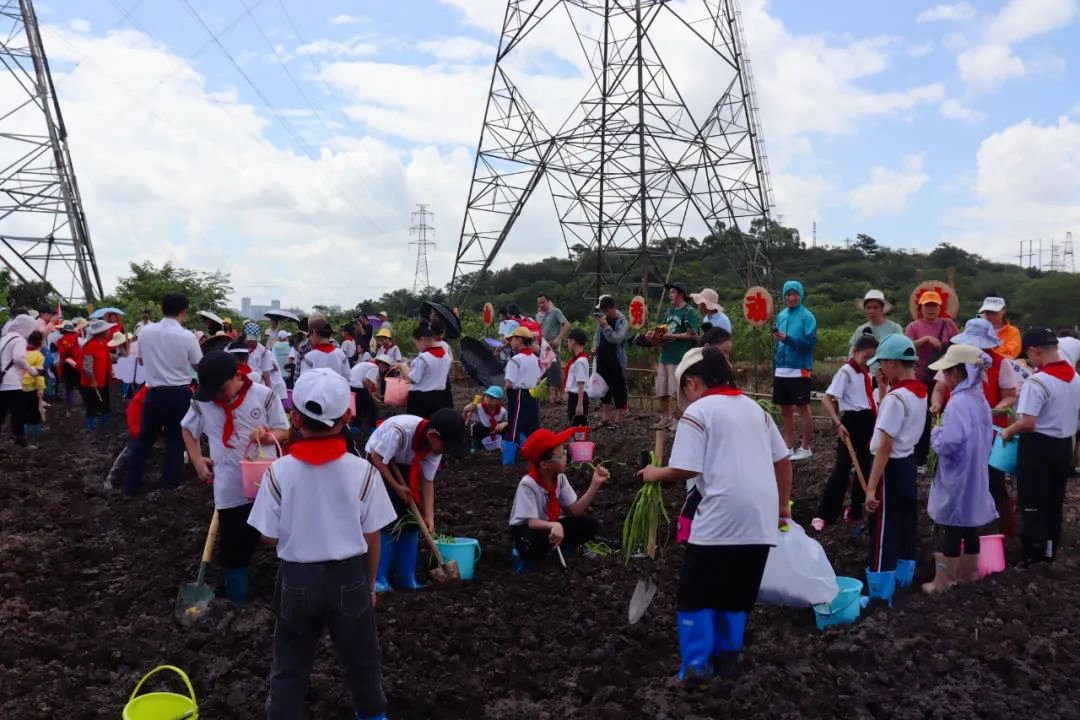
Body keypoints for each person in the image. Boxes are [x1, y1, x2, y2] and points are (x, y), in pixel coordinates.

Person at [247, 368, 394, 720]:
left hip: (296, 580)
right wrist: (370, 584)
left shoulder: (278, 471)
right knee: (362, 664)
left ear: (294, 418)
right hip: (350, 579)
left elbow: (267, 536)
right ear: (346, 417)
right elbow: (372, 536)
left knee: (290, 668)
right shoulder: (363, 472)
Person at [638, 346, 792, 681]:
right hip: (760, 521)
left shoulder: (699, 412)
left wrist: (654, 473)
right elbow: (782, 459)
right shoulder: (757, 410)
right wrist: (782, 506)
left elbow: (683, 468)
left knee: (696, 593)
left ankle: (695, 668)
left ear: (692, 383)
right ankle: (728, 662)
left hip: (720, 518)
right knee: (736, 594)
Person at [182, 351, 289, 603]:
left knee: (278, 538)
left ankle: (286, 593)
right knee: (233, 547)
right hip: (229, 488)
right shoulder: (203, 403)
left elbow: (283, 430)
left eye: (221, 389)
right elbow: (188, 429)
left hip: (266, 482)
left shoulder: (263, 395)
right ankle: (235, 601)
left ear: (237, 376)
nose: (217, 396)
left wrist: (266, 436)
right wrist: (197, 459)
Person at [929, 318, 1018, 538]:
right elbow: (939, 389)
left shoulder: (1000, 363)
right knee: (958, 484)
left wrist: (995, 409)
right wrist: (937, 403)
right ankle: (958, 528)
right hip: (959, 426)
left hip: (989, 432)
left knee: (993, 482)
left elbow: (1010, 395)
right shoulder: (954, 359)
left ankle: (1004, 531)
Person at [922, 344, 998, 592]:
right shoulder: (980, 398)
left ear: (956, 373)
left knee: (953, 522)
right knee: (969, 522)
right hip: (975, 466)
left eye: (946, 372)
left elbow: (951, 441)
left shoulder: (958, 402)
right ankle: (969, 574)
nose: (944, 377)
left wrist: (936, 434)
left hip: (958, 470)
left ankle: (943, 581)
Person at [1001, 328, 1080, 567]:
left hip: (1038, 446)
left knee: (1033, 500)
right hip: (1063, 445)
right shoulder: (1076, 378)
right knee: (1054, 500)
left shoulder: (1038, 381)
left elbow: (1027, 422)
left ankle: (1030, 554)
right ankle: (1048, 550)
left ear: (1035, 351)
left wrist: (1007, 431)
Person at [365, 409, 466, 592]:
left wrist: (429, 516)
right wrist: (397, 487)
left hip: (405, 465)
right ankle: (380, 579)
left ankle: (406, 577)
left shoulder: (435, 449)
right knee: (389, 518)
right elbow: (376, 457)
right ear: (432, 435)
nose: (445, 452)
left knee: (412, 521)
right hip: (378, 464)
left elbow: (428, 482)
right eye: (445, 447)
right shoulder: (400, 431)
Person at [863, 334, 926, 605]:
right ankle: (903, 579)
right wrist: (884, 391)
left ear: (892, 363)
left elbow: (885, 444)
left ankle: (880, 592)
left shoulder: (896, 399)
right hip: (907, 464)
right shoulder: (919, 391)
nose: (880, 370)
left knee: (883, 529)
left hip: (889, 467)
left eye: (882, 364)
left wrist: (871, 486)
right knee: (905, 523)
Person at [124, 293, 203, 497]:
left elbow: (140, 361)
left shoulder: (146, 332)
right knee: (176, 439)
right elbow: (198, 365)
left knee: (144, 438)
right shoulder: (187, 336)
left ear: (161, 309)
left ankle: (130, 485)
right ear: (184, 311)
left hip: (154, 393)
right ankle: (169, 484)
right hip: (179, 394)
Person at [510, 427, 608, 568]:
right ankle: (542, 556)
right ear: (544, 465)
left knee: (589, 524)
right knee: (536, 543)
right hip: (527, 530)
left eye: (565, 453)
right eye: (560, 456)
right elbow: (531, 522)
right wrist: (554, 525)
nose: (565, 458)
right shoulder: (528, 484)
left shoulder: (559, 479)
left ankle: (561, 550)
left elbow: (576, 510)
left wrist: (595, 484)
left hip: (550, 525)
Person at [812, 335, 878, 532]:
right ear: (856, 351)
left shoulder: (868, 374)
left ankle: (855, 510)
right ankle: (825, 514)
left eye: (872, 359)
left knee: (864, 467)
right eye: (866, 357)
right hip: (851, 422)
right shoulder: (846, 372)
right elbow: (827, 398)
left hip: (869, 421)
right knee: (842, 468)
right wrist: (838, 422)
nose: (869, 362)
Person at [904, 290, 959, 468]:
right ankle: (921, 458)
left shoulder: (949, 324)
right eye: (927, 305)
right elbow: (906, 346)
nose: (931, 308)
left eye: (934, 305)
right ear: (921, 307)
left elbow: (958, 343)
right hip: (921, 376)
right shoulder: (914, 326)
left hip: (946, 375)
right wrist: (926, 339)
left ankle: (946, 455)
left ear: (940, 307)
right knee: (922, 417)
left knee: (948, 414)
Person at [772, 280, 817, 460]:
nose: (791, 298)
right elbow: (780, 342)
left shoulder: (807, 316)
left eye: (794, 294)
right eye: (788, 295)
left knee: (803, 407)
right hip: (781, 368)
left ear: (800, 295)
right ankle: (788, 445)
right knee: (786, 410)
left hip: (799, 369)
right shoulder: (781, 316)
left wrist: (788, 339)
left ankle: (806, 447)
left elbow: (809, 344)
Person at [650, 281, 700, 430]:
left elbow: (693, 335)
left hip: (679, 357)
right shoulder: (669, 311)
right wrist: (655, 336)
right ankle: (666, 417)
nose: (669, 295)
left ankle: (679, 419)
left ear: (680, 294)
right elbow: (664, 330)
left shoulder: (689, 312)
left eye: (672, 292)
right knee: (662, 390)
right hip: (664, 356)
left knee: (676, 391)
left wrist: (671, 335)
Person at [0, 314, 38, 447]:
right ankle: (20, 441)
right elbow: (18, 358)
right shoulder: (20, 339)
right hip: (12, 383)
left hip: (2, 381)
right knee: (18, 413)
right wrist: (32, 370)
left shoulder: (4, 338)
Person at [592, 295, 630, 427]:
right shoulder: (603, 319)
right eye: (604, 312)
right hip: (602, 358)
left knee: (618, 387)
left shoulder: (622, 321)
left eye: (608, 311)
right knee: (604, 388)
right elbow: (597, 335)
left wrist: (606, 327)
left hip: (615, 359)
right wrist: (595, 346)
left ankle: (618, 418)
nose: (606, 314)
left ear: (614, 308)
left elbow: (617, 338)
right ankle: (605, 416)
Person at [504, 326, 542, 444]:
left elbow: (509, 384)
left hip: (518, 395)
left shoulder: (515, 360)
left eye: (512, 339)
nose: (510, 342)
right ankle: (539, 451)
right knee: (532, 426)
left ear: (520, 340)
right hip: (533, 394)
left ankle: (510, 457)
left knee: (514, 424)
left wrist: (506, 389)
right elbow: (538, 380)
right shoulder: (534, 359)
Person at [406, 325, 452, 419]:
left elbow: (413, 380)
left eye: (416, 343)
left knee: (419, 425)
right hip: (440, 397)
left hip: (420, 400)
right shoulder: (446, 356)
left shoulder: (423, 358)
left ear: (422, 339)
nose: (416, 347)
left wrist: (403, 368)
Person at [80, 320, 115, 429]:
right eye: (107, 330)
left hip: (103, 377)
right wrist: (93, 380)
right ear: (101, 332)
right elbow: (87, 366)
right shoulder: (90, 346)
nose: (109, 331)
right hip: (93, 380)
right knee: (92, 402)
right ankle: (91, 424)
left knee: (105, 399)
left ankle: (106, 422)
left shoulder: (104, 343)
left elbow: (107, 357)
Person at [537, 293, 571, 405]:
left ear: (548, 301)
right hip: (542, 347)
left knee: (556, 370)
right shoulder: (538, 316)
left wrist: (558, 338)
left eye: (543, 302)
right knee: (544, 372)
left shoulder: (556, 311)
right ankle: (549, 397)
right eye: (539, 303)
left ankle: (561, 396)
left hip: (553, 347)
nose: (541, 305)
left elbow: (566, 325)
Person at [350, 354, 390, 437]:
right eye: (385, 368)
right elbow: (365, 381)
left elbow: (371, 384)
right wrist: (370, 394)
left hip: (351, 386)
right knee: (371, 406)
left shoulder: (369, 364)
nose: (384, 370)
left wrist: (373, 392)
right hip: (358, 387)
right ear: (382, 365)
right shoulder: (374, 368)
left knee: (358, 408)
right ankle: (371, 427)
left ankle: (356, 427)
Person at [21, 330, 46, 444]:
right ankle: (36, 437)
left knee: (22, 412)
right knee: (34, 412)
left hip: (18, 386)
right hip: (32, 387)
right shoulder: (38, 356)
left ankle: (23, 436)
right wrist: (40, 388)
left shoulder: (20, 352)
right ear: (40, 342)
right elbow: (39, 374)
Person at [464, 386, 508, 451]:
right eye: (487, 397)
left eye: (492, 398)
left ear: (499, 401)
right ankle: (476, 447)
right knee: (477, 427)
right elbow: (466, 417)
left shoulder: (502, 411)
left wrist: (504, 423)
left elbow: (510, 422)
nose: (488, 400)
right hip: (481, 432)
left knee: (505, 430)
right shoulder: (478, 408)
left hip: (495, 432)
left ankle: (500, 446)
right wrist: (466, 409)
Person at [563, 328, 590, 429]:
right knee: (573, 424)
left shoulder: (580, 362)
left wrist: (579, 404)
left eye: (569, 340)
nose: (568, 343)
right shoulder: (577, 360)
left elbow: (581, 383)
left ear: (573, 341)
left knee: (578, 427)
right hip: (574, 396)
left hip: (578, 397)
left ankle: (578, 444)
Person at [55, 321, 81, 409]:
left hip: (66, 364)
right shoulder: (77, 338)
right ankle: (86, 401)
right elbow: (79, 352)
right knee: (80, 385)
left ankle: (70, 404)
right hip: (76, 364)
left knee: (68, 385)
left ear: (64, 332)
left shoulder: (60, 341)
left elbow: (60, 353)